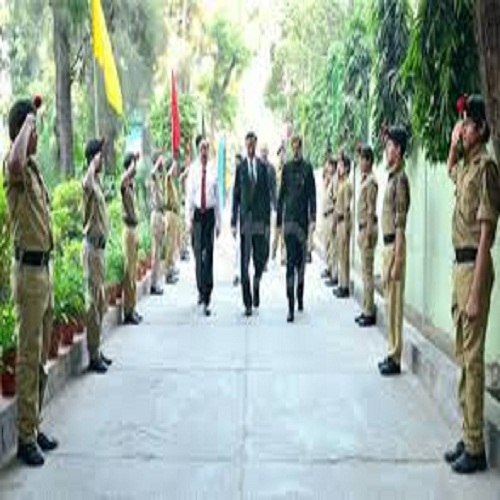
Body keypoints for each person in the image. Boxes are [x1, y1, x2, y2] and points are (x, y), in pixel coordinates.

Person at [444, 94, 500, 474]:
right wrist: (453, 145)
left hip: (474, 267)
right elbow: (451, 169)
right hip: (460, 268)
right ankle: (468, 436)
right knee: (463, 357)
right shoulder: (466, 166)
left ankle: (476, 446)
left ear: (481, 128)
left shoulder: (486, 169)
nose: (461, 128)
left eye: (467, 123)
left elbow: (485, 236)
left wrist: (477, 291)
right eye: (461, 122)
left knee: (474, 360)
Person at [4, 96, 58, 466]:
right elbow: (14, 160)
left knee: (40, 356)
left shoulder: (34, 170)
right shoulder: (15, 167)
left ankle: (34, 425)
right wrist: (26, 121)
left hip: (44, 272)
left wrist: (32, 117)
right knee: (27, 357)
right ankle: (24, 438)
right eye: (33, 129)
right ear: (22, 130)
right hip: (28, 275)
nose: (37, 134)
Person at [378, 127, 410, 377]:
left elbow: (400, 223)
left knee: (395, 305)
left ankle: (395, 356)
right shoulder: (391, 177)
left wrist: (397, 260)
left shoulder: (400, 180)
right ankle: (391, 352)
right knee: (389, 304)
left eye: (389, 146)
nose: (386, 150)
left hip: (395, 246)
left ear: (398, 150)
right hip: (387, 246)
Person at [231, 132, 272, 317]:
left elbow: (266, 196)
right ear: (245, 145)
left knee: (259, 259)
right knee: (244, 261)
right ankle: (247, 302)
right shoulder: (240, 168)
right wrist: (233, 221)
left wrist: (267, 222)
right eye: (248, 144)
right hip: (245, 221)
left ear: (256, 145)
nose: (250, 147)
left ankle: (256, 283)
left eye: (253, 144)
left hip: (259, 220)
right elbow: (236, 195)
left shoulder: (263, 168)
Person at [277, 135, 316, 322]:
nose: (296, 149)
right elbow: (281, 196)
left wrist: (313, 218)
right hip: (289, 223)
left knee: (300, 264)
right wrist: (278, 222)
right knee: (290, 264)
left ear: (301, 147)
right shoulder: (286, 168)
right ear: (291, 148)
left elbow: (312, 195)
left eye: (298, 146)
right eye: (294, 146)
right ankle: (290, 305)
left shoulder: (308, 168)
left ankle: (300, 295)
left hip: (302, 223)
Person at [82, 138, 113, 374]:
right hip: (92, 250)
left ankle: (97, 349)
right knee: (93, 302)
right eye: (100, 154)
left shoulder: (98, 184)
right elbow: (86, 183)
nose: (103, 158)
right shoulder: (89, 181)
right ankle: (93, 355)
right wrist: (92, 164)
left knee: (100, 301)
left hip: (99, 250)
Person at [185, 137, 221, 316]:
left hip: (210, 216)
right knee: (198, 254)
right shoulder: (193, 170)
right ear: (198, 151)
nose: (204, 151)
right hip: (198, 216)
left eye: (206, 148)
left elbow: (218, 197)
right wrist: (188, 221)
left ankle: (207, 293)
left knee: (209, 254)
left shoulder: (213, 170)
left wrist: (219, 222)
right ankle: (201, 289)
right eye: (201, 148)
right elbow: (189, 197)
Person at [355, 145, 378, 327]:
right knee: (364, 272)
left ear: (369, 161)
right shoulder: (365, 179)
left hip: (368, 229)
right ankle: (365, 309)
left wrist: (369, 234)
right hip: (363, 228)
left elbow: (371, 210)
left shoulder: (371, 182)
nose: (360, 162)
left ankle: (369, 312)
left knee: (368, 273)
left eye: (363, 159)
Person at [120, 152, 142, 325]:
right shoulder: (124, 186)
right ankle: (127, 311)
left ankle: (132, 308)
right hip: (128, 230)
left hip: (134, 229)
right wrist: (134, 161)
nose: (135, 170)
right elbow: (123, 179)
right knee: (129, 271)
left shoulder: (132, 187)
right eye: (133, 166)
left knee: (134, 271)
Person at [333, 152, 352, 299]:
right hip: (338, 221)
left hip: (343, 222)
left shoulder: (347, 185)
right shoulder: (340, 184)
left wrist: (346, 228)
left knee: (344, 256)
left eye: (340, 165)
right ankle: (341, 283)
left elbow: (346, 208)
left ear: (346, 168)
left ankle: (345, 286)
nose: (338, 168)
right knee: (340, 254)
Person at [149, 152, 166, 295]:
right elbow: (151, 172)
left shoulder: (159, 178)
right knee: (156, 251)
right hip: (156, 215)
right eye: (162, 160)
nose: (163, 162)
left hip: (161, 215)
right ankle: (153, 284)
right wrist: (158, 162)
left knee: (159, 251)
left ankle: (156, 282)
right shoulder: (154, 177)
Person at [164, 159, 180, 285]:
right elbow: (168, 175)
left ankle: (171, 269)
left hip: (174, 214)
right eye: (174, 168)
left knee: (173, 244)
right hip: (170, 214)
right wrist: (172, 166)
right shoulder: (168, 180)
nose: (175, 170)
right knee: (169, 245)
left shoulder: (173, 183)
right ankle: (167, 273)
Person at [271, 144, 287, 265]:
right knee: (276, 230)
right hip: (277, 204)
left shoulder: (288, 169)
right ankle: (273, 251)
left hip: (285, 203)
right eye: (280, 154)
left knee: (284, 230)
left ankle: (283, 256)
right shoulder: (274, 169)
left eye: (283, 153)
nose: (282, 156)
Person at [232, 153, 243, 287]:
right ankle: (237, 273)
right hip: (241, 215)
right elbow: (235, 199)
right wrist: (233, 221)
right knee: (238, 245)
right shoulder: (237, 175)